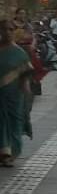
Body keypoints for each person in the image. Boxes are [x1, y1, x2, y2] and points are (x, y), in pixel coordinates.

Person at [0, 18, 33, 167]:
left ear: (14, 32)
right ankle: (4, 152)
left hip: (14, 94)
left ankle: (12, 151)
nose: (7, 32)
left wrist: (27, 93)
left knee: (14, 123)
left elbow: (25, 76)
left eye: (10, 30)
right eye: (4, 29)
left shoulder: (20, 54)